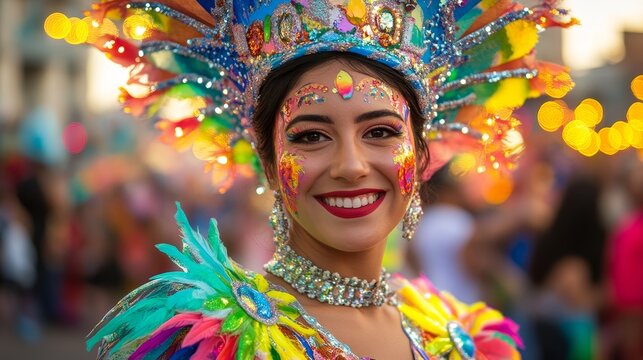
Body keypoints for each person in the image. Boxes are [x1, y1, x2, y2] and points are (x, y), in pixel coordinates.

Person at [55, 0, 575, 358]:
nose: (350, 164)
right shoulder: (211, 341)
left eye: (380, 131)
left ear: (418, 158)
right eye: (310, 136)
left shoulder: (456, 336)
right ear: (268, 162)